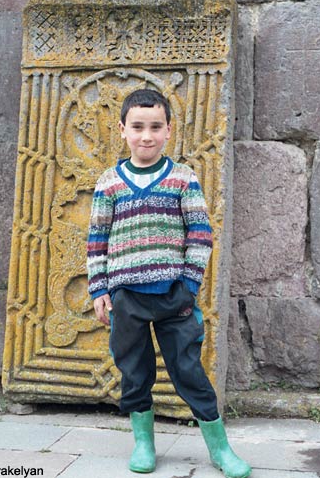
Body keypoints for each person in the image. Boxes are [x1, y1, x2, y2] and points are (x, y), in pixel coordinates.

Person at [87, 88, 251, 477]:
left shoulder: (182, 178)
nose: (147, 136)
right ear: (122, 129)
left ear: (169, 130)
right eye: (138, 127)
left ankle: (220, 448)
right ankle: (144, 443)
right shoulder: (109, 183)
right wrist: (100, 289)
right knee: (134, 370)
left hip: (174, 295)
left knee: (189, 369)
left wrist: (189, 285)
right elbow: (97, 240)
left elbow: (200, 233)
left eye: (155, 127)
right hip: (126, 297)